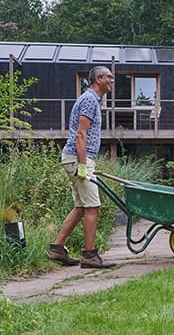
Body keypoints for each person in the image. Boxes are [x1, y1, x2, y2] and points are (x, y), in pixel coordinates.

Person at [48, 66, 117, 268]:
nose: (112, 81)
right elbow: (80, 134)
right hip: (78, 158)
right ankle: (89, 255)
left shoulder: (94, 100)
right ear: (98, 78)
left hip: (78, 158)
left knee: (81, 207)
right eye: (109, 77)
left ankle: (57, 249)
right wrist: (83, 165)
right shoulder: (88, 99)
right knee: (92, 206)